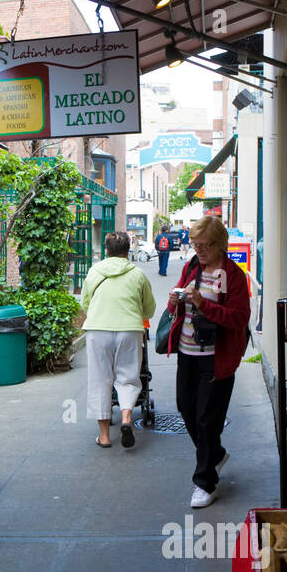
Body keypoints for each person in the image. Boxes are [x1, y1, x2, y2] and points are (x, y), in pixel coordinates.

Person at [163, 215, 251, 509]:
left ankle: (205, 483)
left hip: (216, 360)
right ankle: (215, 454)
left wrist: (204, 303)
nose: (198, 251)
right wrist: (174, 301)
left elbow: (239, 319)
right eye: (195, 245)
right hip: (187, 354)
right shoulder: (191, 267)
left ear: (219, 244)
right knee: (186, 410)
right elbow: (175, 301)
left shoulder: (234, 276)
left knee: (206, 421)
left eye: (204, 246)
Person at [81, 232, 155, 448]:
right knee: (128, 377)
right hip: (129, 330)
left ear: (107, 249)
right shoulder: (138, 274)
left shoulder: (94, 271)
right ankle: (126, 418)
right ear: (128, 249)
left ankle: (104, 436)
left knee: (100, 380)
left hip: (98, 330)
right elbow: (148, 310)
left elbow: (86, 303)